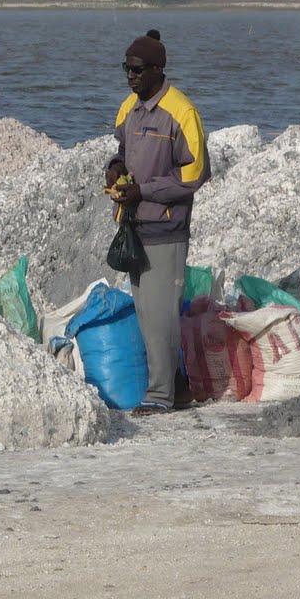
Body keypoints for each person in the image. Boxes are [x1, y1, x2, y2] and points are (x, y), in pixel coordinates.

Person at [105, 29, 211, 416]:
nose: (129, 77)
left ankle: (161, 397)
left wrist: (145, 192)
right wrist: (115, 169)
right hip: (134, 225)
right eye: (126, 69)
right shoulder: (128, 109)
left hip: (166, 228)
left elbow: (195, 173)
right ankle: (178, 387)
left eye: (136, 70)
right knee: (148, 314)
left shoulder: (181, 113)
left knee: (162, 314)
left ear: (156, 70)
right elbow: (121, 150)